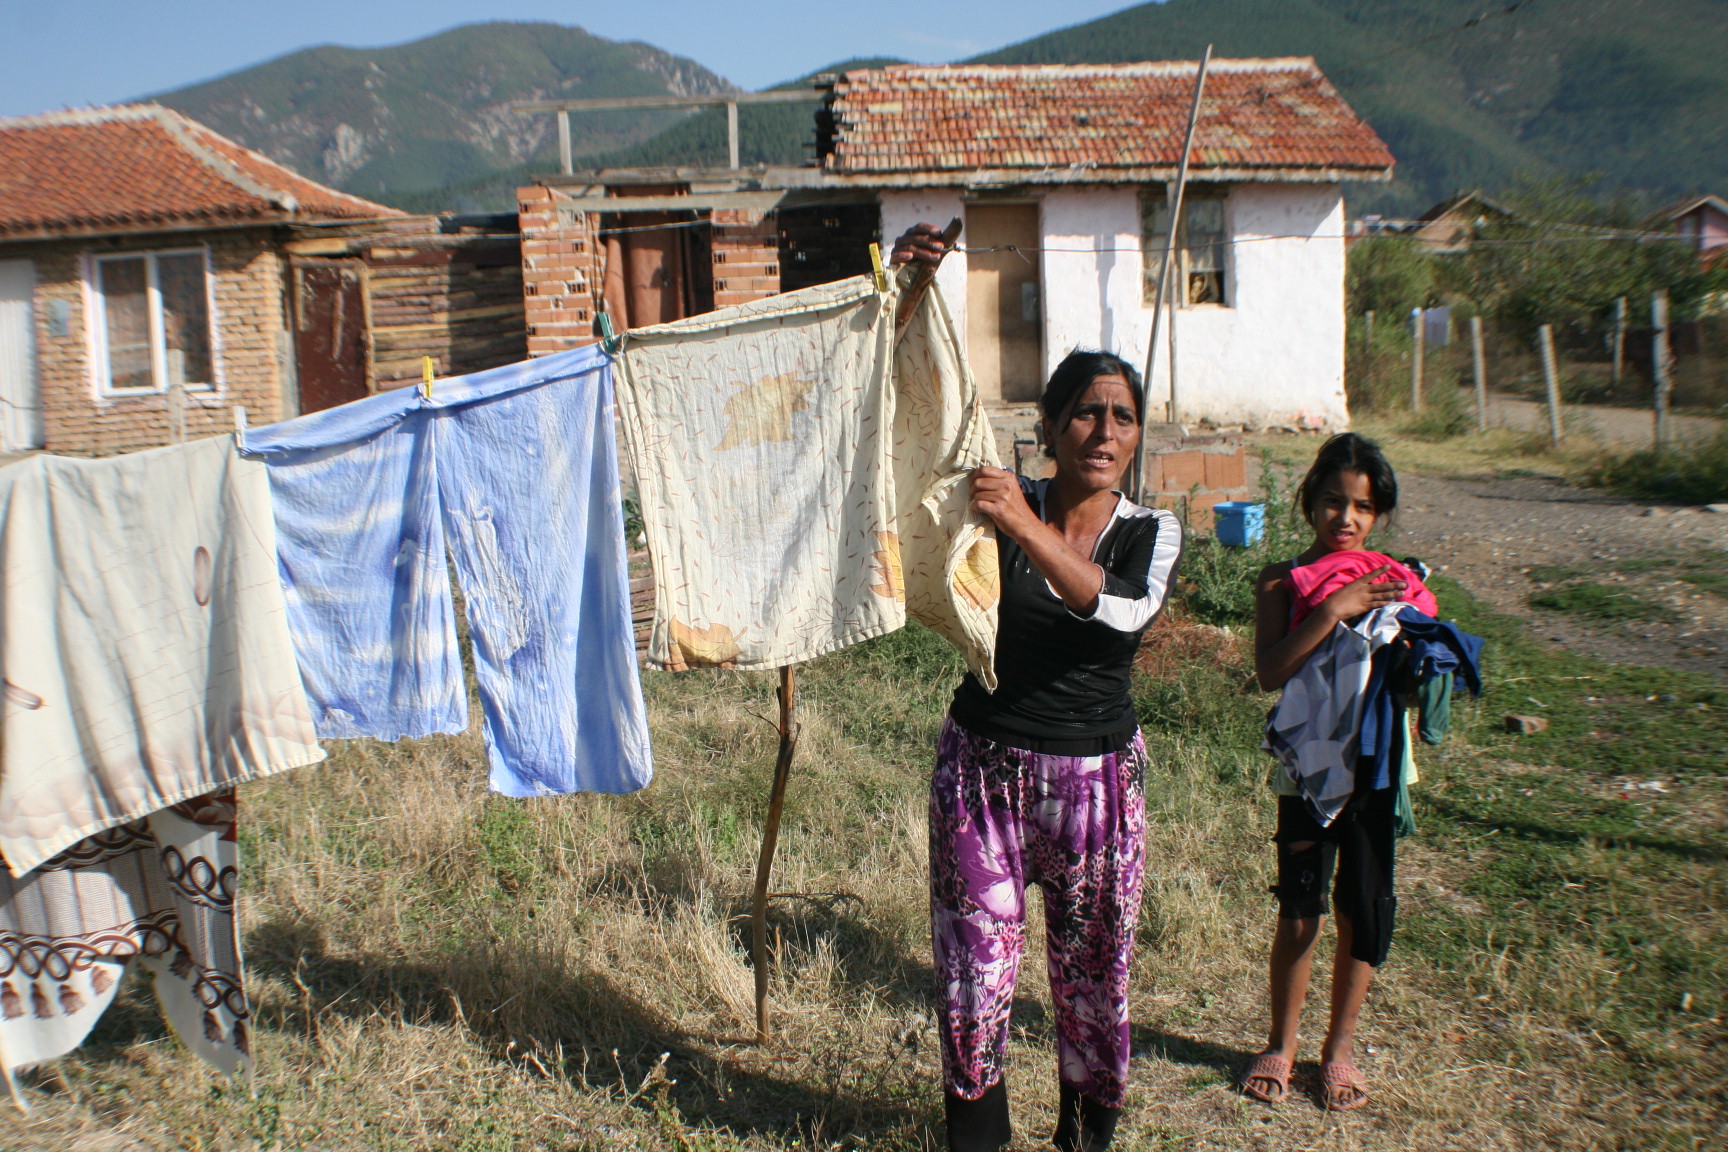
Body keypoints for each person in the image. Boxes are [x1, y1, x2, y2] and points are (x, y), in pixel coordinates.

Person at [892, 225, 1184, 1152]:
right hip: (980, 770)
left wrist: (1022, 523)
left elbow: (1119, 614)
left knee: (1094, 979)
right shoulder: (999, 506)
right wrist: (913, 295)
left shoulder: (1151, 532)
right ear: (1052, 424)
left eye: (1123, 417)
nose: (1105, 433)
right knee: (972, 973)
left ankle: (1084, 1134)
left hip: (1098, 784)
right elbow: (914, 415)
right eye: (1087, 413)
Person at [1239, 432, 1414, 1112]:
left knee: (1362, 907)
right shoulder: (1283, 580)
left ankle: (1337, 1051)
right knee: (1300, 910)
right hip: (1309, 768)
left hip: (1375, 764)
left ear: (1379, 516)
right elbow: (1268, 671)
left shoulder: (1393, 580)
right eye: (1334, 502)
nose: (1347, 519)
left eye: (1363, 508)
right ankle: (1280, 1045)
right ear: (1309, 504)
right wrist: (1337, 609)